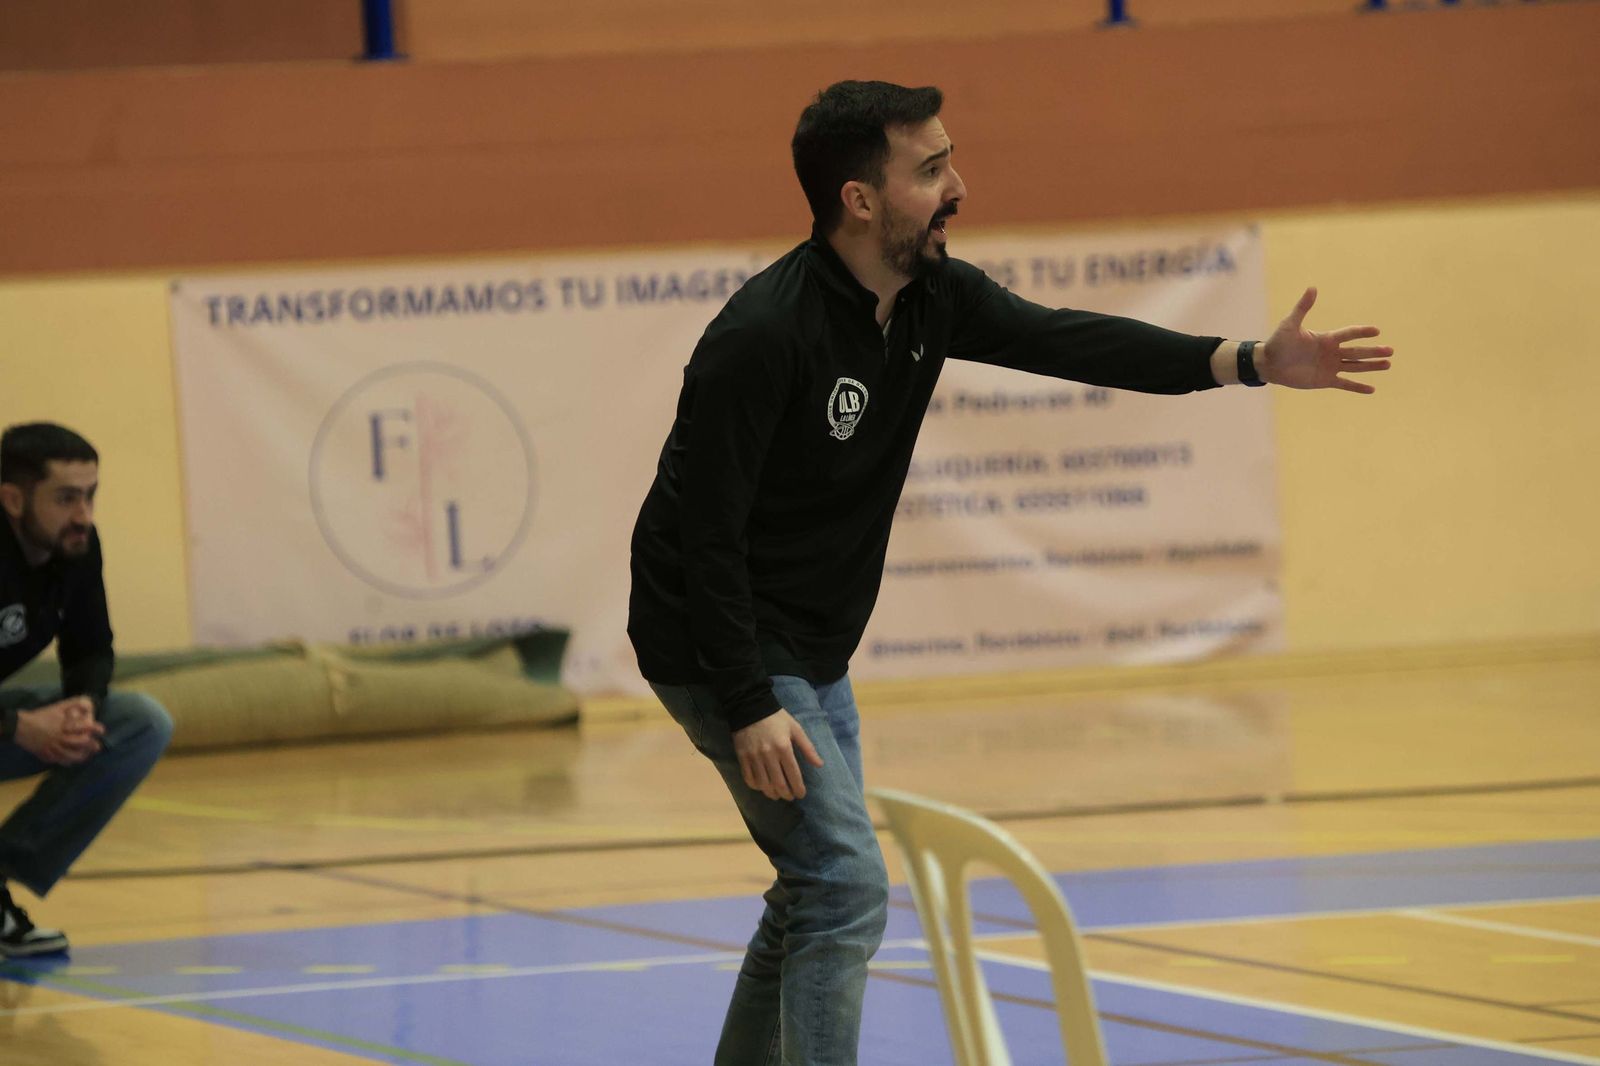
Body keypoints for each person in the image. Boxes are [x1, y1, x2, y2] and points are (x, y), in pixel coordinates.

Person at [627, 80, 1392, 1064]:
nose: (959, 185)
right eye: (931, 169)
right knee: (844, 885)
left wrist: (1244, 358)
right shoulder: (762, 335)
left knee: (816, 885)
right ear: (860, 200)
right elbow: (705, 533)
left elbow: (1068, 337)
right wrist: (746, 698)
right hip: (713, 641)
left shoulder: (932, 297)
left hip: (809, 642)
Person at [0, 423, 174, 957]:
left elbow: (92, 648)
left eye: (91, 495)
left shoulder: (76, 548)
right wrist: (18, 726)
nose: (84, 515)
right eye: (66, 498)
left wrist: (82, 705)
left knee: (138, 722)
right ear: (12, 498)